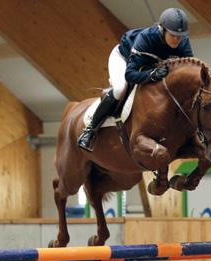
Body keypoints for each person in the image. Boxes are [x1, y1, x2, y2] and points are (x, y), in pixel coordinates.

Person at [77, 7, 194, 152]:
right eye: (173, 35)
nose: (177, 40)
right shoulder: (146, 38)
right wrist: (152, 75)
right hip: (124, 60)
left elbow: (188, 70)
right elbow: (130, 74)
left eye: (180, 36)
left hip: (150, 66)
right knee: (120, 89)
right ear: (162, 30)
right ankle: (90, 130)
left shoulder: (183, 42)